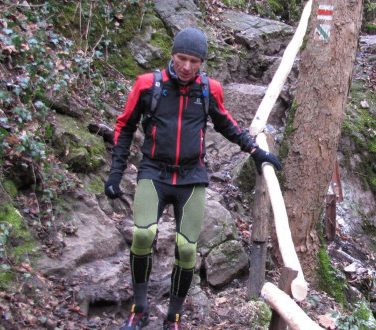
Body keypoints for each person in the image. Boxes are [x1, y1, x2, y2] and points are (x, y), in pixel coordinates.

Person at [104, 27, 282, 330]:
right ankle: (139, 309)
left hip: (192, 176)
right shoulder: (148, 85)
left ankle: (173, 316)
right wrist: (115, 174)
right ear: (172, 55)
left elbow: (226, 123)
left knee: (187, 249)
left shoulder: (208, 89)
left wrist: (255, 150)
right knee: (143, 235)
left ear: (202, 62)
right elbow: (124, 126)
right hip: (154, 172)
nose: (186, 67)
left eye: (194, 61)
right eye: (182, 58)